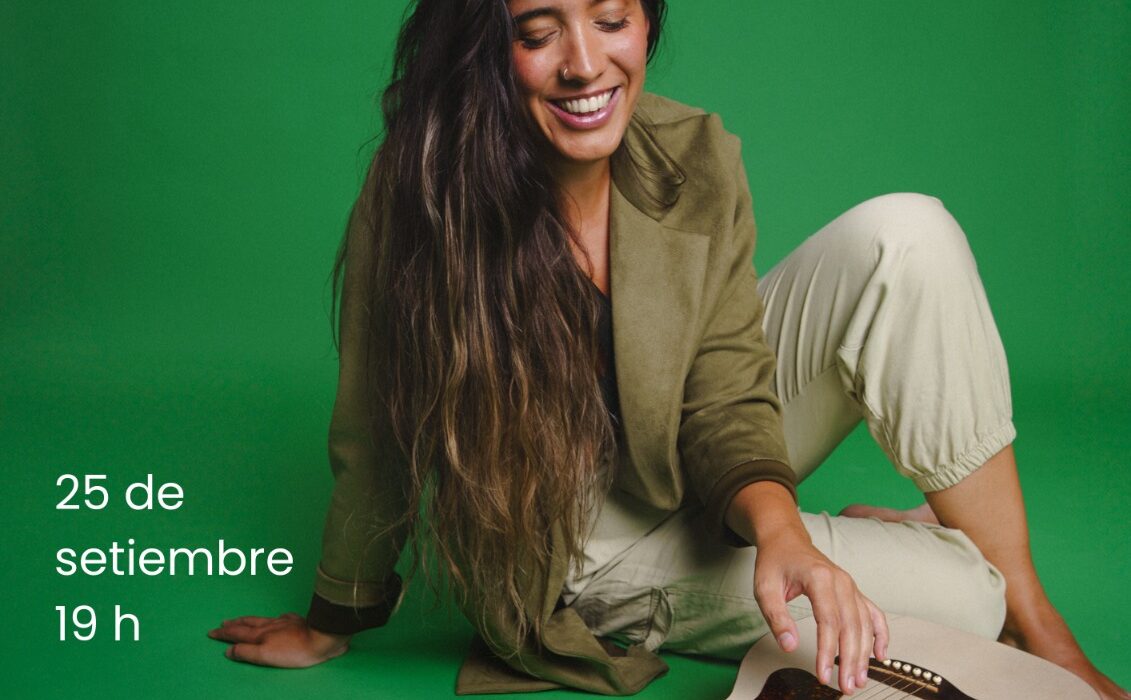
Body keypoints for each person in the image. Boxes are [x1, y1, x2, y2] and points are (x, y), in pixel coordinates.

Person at [207, 1, 1129, 697]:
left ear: (645, 22)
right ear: (491, 51)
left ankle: (1035, 618)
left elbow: (727, 385)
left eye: (611, 19)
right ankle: (934, 564)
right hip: (586, 549)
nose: (584, 64)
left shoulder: (689, 153)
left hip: (693, 458)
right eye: (538, 32)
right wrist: (336, 617)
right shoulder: (423, 196)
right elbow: (373, 426)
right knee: (966, 597)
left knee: (907, 233)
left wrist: (781, 532)